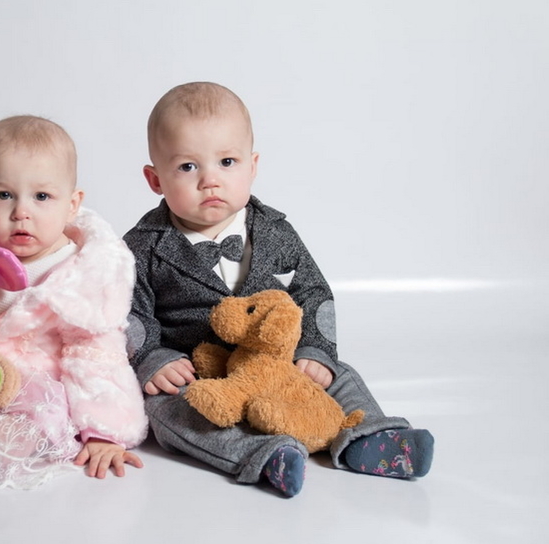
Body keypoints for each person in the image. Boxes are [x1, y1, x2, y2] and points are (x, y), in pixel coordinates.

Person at [123, 82, 433, 497]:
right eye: (188, 167)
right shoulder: (143, 246)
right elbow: (126, 311)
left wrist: (315, 351)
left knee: (340, 375)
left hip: (275, 360)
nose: (210, 180)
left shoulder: (275, 231)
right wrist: (153, 357)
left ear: (252, 166)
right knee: (167, 410)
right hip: (201, 368)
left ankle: (369, 437)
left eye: (227, 162)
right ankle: (262, 454)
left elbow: (312, 291)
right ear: (154, 179)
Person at [0, 115, 147, 503]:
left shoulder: (81, 274)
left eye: (42, 197)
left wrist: (104, 431)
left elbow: (95, 354)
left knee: (45, 419)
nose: (21, 212)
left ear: (72, 205)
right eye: (3, 195)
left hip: (34, 385)